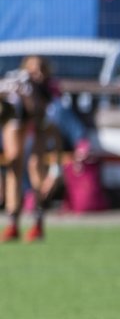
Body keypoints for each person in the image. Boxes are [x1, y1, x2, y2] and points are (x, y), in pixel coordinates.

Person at [2, 57, 58, 242]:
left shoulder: (45, 96)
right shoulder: (12, 92)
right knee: (14, 165)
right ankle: (12, 224)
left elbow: (53, 134)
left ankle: (38, 223)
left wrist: (55, 171)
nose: (38, 74)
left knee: (35, 167)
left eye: (41, 69)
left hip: (36, 122)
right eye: (33, 70)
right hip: (16, 119)